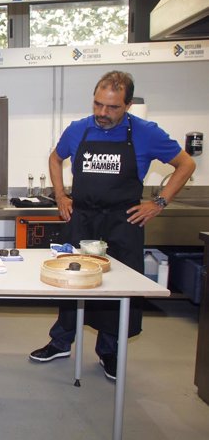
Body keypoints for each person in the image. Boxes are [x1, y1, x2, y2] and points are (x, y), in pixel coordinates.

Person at [29, 71, 196, 380]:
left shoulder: (147, 133)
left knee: (117, 288)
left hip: (123, 222)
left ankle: (108, 350)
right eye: (98, 105)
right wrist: (61, 195)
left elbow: (186, 164)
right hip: (83, 219)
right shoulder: (79, 130)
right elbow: (55, 159)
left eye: (112, 107)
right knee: (70, 283)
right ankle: (61, 341)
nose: (103, 114)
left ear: (128, 105)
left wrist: (159, 202)